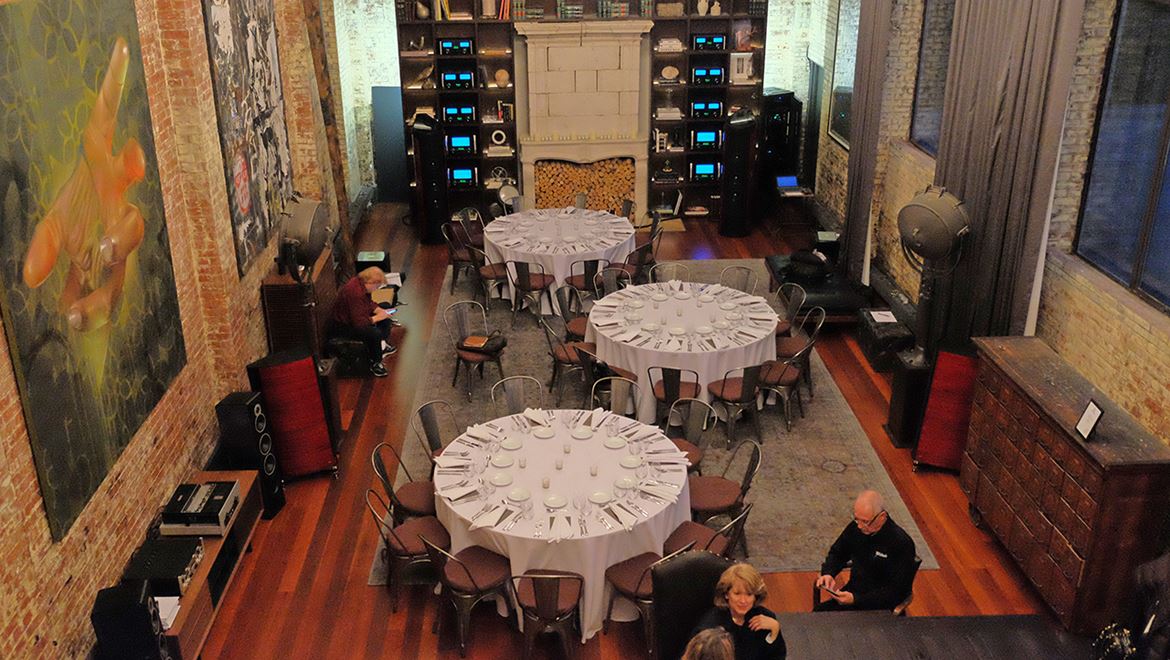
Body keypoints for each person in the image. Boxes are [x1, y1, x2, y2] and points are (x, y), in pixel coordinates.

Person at [814, 489, 917, 611]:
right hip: (853, 594)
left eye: (865, 522)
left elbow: (896, 592)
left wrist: (857, 599)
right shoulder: (857, 528)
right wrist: (828, 573)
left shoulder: (902, 543)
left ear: (882, 517)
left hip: (880, 607)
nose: (859, 526)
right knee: (817, 615)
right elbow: (838, 552)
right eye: (857, 519)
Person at [691, 563, 786, 660]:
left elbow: (777, 655)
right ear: (726, 594)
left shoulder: (766, 617)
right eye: (737, 594)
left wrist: (774, 632)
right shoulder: (710, 628)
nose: (743, 601)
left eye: (749, 594)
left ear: (755, 596)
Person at [332, 266, 397, 377]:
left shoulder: (360, 283)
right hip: (344, 326)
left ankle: (382, 344)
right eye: (377, 286)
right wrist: (379, 317)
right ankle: (376, 362)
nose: (377, 289)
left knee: (385, 310)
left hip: (355, 317)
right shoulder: (355, 294)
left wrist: (380, 311)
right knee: (374, 333)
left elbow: (368, 303)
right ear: (371, 282)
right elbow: (360, 322)